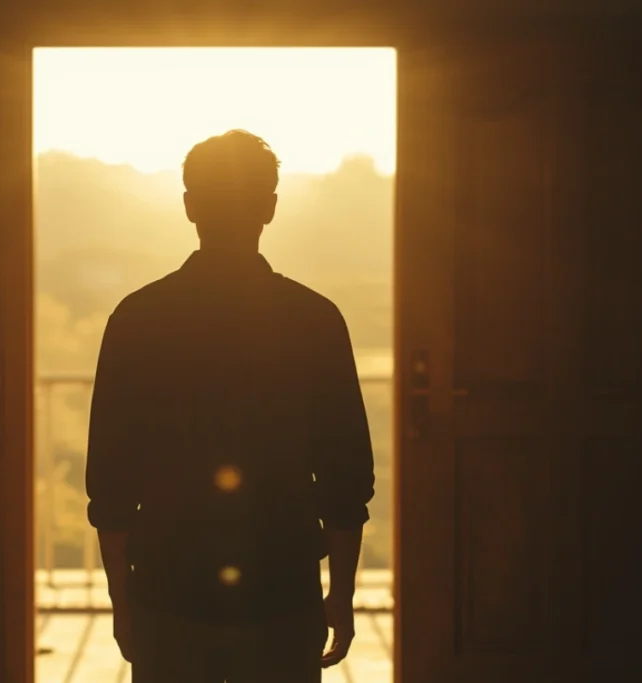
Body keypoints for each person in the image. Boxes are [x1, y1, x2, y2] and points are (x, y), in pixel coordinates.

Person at [85, 129, 375, 683]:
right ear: (269, 206)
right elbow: (346, 479)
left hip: (167, 594)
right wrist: (341, 593)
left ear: (189, 205)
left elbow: (111, 482)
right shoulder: (315, 320)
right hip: (282, 593)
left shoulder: (136, 319)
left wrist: (123, 602)